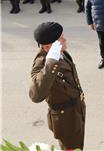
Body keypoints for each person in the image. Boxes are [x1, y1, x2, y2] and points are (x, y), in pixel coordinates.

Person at [29, 22, 86, 150]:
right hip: (65, 119)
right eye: (60, 38)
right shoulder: (43, 63)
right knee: (71, 148)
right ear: (48, 46)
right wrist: (50, 64)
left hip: (76, 110)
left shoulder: (61, 52)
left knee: (79, 145)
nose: (65, 39)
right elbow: (35, 95)